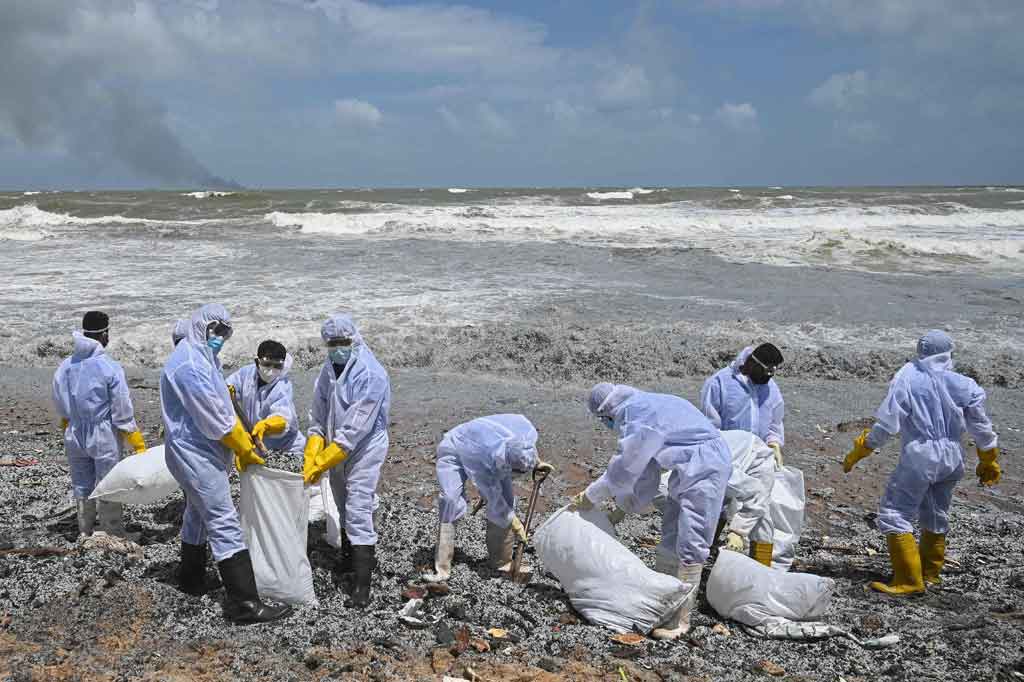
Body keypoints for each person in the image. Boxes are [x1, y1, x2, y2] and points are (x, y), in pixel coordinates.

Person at [843, 330, 1000, 595]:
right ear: (949, 353)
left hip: (920, 455)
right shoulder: (964, 384)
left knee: (895, 513)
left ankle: (908, 581)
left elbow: (887, 425)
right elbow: (982, 427)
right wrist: (988, 459)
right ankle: (929, 574)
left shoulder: (909, 379)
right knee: (936, 514)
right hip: (952, 456)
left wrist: (862, 449)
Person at [160, 304, 290, 624]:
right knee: (222, 519)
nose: (220, 337)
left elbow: (223, 404)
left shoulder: (204, 357)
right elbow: (217, 421)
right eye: (216, 330)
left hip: (200, 450)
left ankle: (190, 579)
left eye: (225, 332)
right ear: (200, 327)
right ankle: (245, 603)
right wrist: (244, 449)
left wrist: (245, 435)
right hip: (194, 453)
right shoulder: (189, 364)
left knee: (197, 513)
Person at [571, 383, 731, 640]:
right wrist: (622, 509)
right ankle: (662, 598)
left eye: (603, 421)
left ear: (605, 413)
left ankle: (681, 620)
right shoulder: (644, 405)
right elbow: (646, 475)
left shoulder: (638, 416)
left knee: (692, 537)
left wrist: (591, 495)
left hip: (705, 466)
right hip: (687, 466)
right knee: (672, 529)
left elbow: (624, 468)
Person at [303, 314, 390, 608]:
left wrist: (322, 462)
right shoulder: (329, 369)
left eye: (343, 342)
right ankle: (348, 560)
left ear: (354, 339)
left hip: (365, 448)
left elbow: (355, 429)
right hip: (335, 446)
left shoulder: (371, 374)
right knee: (340, 504)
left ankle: (363, 585)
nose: (338, 347)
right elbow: (318, 412)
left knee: (358, 507)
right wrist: (313, 448)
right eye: (332, 343)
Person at [423, 415, 554, 582]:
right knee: (450, 500)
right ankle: (442, 567)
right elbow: (493, 497)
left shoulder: (525, 431)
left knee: (507, 500)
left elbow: (523, 448)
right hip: (456, 449)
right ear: (505, 462)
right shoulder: (483, 461)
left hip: (486, 447)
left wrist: (536, 461)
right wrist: (514, 522)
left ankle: (501, 562)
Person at [52, 311, 148, 539]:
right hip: (102, 434)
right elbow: (121, 409)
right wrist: (137, 442)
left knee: (81, 482)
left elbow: (60, 399)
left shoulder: (66, 365)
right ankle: (112, 532)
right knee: (108, 482)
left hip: (74, 431)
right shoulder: (109, 366)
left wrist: (68, 422)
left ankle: (84, 530)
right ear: (104, 333)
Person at [701, 343, 785, 469]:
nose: (768, 378)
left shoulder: (770, 388)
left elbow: (774, 424)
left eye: (772, 373)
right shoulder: (719, 383)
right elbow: (710, 428)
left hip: (760, 460)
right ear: (752, 364)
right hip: (728, 459)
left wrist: (774, 444)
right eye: (766, 372)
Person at [226, 340, 305, 457]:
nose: (271, 370)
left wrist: (267, 426)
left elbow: (283, 416)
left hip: (287, 449)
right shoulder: (246, 374)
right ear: (257, 362)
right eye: (267, 364)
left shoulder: (282, 385)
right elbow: (226, 391)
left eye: (277, 366)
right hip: (257, 446)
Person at [717, 430, 776, 566]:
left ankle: (763, 565)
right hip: (733, 452)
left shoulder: (720, 473)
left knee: (762, 517)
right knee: (716, 505)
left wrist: (738, 531)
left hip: (756, 456)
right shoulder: (676, 475)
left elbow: (758, 495)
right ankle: (710, 549)